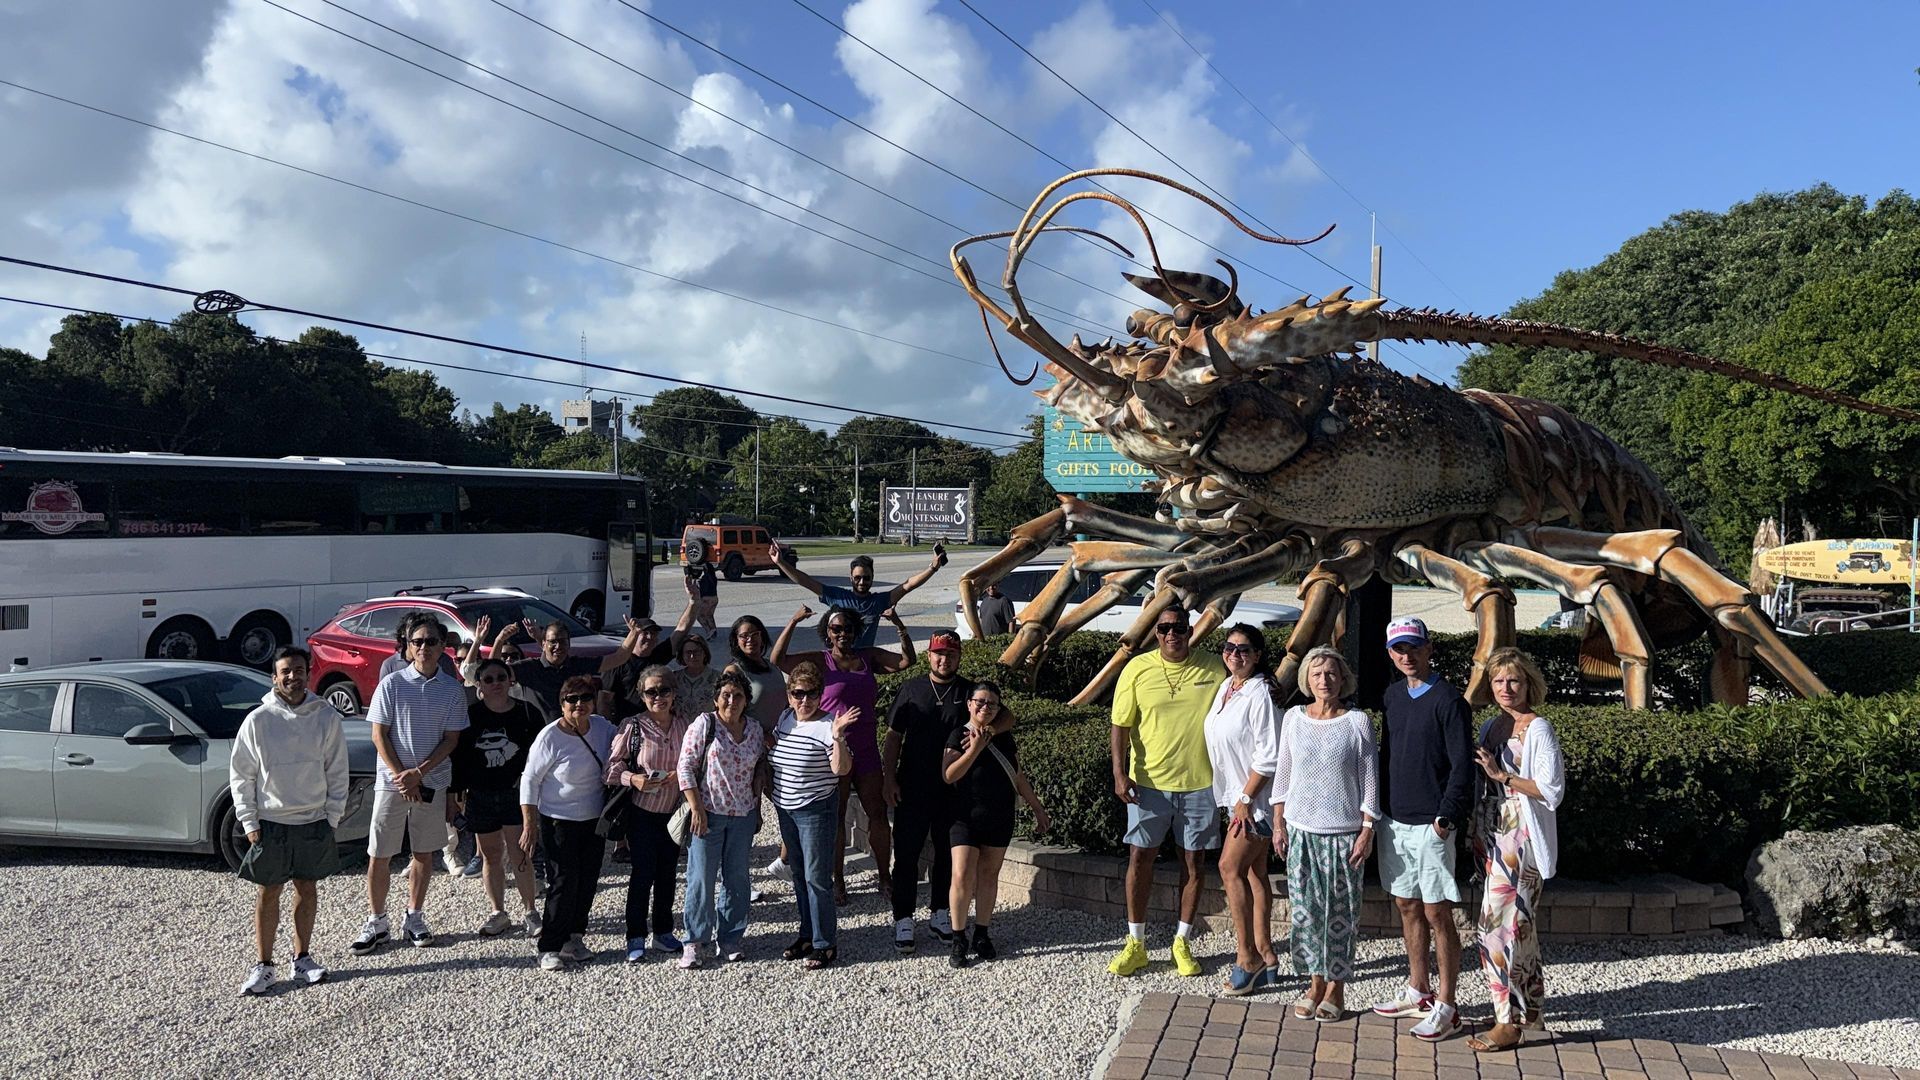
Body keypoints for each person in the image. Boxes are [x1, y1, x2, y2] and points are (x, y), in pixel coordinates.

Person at [1371, 616, 1476, 1041]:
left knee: (1437, 913)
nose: (1407, 655)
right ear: (1391, 655)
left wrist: (1446, 818)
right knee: (1407, 907)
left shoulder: (1450, 701)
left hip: (1432, 825)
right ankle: (1419, 990)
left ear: (1429, 648)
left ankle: (1448, 1006)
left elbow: (1462, 765)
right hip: (1394, 822)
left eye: (1414, 647)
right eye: (1399, 649)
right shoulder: (1393, 696)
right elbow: (1387, 754)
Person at [1107, 605, 1225, 978]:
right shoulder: (1137, 669)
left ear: (1190, 630)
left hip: (1201, 785)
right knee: (1140, 858)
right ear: (1155, 633)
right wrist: (1119, 773)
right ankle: (1136, 943)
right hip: (1148, 785)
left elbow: (1244, 688)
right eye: (1164, 628)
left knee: (1194, 863)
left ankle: (1182, 941)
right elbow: (1120, 725)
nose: (1172, 634)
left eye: (1179, 627)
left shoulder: (1214, 667)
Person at [772, 604, 916, 905]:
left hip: (865, 747)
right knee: (835, 818)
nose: (842, 634)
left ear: (855, 631)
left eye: (847, 628)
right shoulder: (820, 660)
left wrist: (899, 624)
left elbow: (905, 661)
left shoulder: (868, 656)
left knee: (876, 813)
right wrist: (794, 620)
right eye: (836, 629)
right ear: (827, 632)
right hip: (833, 746)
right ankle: (838, 881)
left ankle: (884, 876)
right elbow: (779, 660)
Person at [882, 630, 1013, 954]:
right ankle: (903, 917)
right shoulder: (911, 689)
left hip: (954, 791)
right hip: (912, 785)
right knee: (908, 854)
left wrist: (987, 733)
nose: (945, 659)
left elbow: (1008, 715)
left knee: (946, 855)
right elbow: (893, 736)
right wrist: (888, 778)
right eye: (939, 653)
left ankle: (941, 913)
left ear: (959, 657)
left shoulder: (970, 691)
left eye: (951, 654)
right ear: (929, 655)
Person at [229, 646, 349, 995]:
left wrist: (332, 816)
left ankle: (302, 959)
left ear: (308, 673)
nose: (293, 677)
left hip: (313, 818)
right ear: (275, 677)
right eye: (286, 671)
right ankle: (264, 965)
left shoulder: (325, 716)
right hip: (271, 820)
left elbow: (337, 770)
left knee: (307, 888)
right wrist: (249, 821)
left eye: (299, 670)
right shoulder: (258, 720)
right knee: (269, 891)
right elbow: (241, 775)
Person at [1272, 645, 1380, 1020]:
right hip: (1301, 830)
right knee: (1306, 914)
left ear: (1343, 678)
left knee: (1340, 916)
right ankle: (1314, 983)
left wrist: (1367, 830)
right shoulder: (1294, 719)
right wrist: (1278, 822)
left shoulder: (1357, 722)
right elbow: (1283, 774)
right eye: (1317, 674)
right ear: (1307, 680)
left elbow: (1370, 782)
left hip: (1344, 834)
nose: (1324, 680)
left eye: (1331, 674)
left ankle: (1336, 988)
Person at [1466, 647, 1565, 1053]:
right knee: (1518, 930)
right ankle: (1530, 1013)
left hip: (1520, 837)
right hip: (1492, 834)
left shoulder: (1537, 730)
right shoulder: (1492, 726)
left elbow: (1551, 791)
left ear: (1529, 685)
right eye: (1498, 681)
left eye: (1514, 681)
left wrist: (1503, 775)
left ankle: (1506, 1021)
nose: (1506, 688)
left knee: (1495, 930)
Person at [351, 612, 469, 955]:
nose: (424, 648)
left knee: (423, 851)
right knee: (380, 852)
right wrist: (402, 775)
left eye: (431, 641)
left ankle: (414, 916)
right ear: (407, 646)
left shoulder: (451, 689)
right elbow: (378, 734)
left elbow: (451, 740)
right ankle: (377, 920)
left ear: (442, 646)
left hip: (431, 781)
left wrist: (419, 772)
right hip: (392, 784)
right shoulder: (391, 683)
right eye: (417, 642)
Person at [941, 679, 1050, 968]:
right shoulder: (958, 735)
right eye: (980, 702)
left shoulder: (1003, 737)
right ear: (969, 704)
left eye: (991, 703)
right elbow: (949, 774)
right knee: (962, 875)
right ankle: (958, 938)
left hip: (999, 815)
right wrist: (974, 749)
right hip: (964, 817)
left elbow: (1018, 776)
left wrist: (1038, 808)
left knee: (989, 876)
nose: (985, 707)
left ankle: (982, 933)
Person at [1201, 625, 1284, 996]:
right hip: (1237, 797)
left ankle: (1246, 957)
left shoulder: (1259, 693)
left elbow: (1269, 754)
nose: (1236, 654)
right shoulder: (1227, 688)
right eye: (1230, 647)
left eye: (1245, 649)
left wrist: (1247, 799)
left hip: (1255, 804)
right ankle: (1266, 952)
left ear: (1258, 655)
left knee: (1228, 867)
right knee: (1254, 872)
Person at [519, 675, 617, 971]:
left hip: (594, 819)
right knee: (562, 881)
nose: (579, 705)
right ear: (562, 704)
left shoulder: (603, 728)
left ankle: (574, 937)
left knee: (588, 880)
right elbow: (530, 779)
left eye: (585, 698)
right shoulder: (550, 736)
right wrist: (529, 823)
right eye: (571, 700)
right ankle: (549, 945)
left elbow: (627, 742)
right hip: (558, 820)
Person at [766, 661, 859, 969]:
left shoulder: (828, 724)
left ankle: (824, 943)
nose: (804, 700)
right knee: (798, 875)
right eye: (797, 693)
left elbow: (841, 769)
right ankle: (806, 934)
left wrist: (838, 737)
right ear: (789, 695)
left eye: (811, 693)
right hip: (786, 808)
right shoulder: (786, 718)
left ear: (820, 694)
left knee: (817, 878)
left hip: (815, 810)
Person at [677, 670, 766, 968]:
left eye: (738, 695)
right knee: (701, 878)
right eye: (726, 695)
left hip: (742, 815)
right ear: (716, 699)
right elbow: (685, 768)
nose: (731, 700)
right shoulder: (705, 725)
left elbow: (759, 769)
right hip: (709, 814)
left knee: (737, 878)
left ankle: (730, 937)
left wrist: (758, 807)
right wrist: (697, 809)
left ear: (746, 700)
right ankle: (695, 940)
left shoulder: (754, 729)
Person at [451, 657, 545, 937]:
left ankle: (530, 910)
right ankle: (498, 911)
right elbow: (460, 758)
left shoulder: (527, 713)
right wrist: (455, 796)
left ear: (510, 681)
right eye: (488, 679)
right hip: (480, 794)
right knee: (490, 855)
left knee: (521, 853)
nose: (495, 684)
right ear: (479, 684)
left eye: (500, 678)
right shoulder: (470, 716)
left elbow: (539, 756)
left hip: (517, 795)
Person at [605, 665, 691, 963]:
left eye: (664, 690)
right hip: (642, 813)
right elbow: (611, 768)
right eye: (651, 692)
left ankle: (664, 932)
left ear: (674, 693)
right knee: (643, 874)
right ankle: (635, 935)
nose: (658, 697)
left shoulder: (685, 725)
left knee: (668, 874)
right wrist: (635, 779)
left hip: (675, 812)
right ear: (642, 695)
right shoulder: (633, 726)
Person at [769, 544, 947, 650]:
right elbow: (805, 581)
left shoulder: (879, 602)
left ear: (872, 578)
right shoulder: (837, 596)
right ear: (851, 578)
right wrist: (780, 562)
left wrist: (932, 568)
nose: (862, 582)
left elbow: (908, 585)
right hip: (837, 660)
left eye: (866, 578)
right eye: (857, 578)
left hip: (864, 662)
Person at [491, 616, 646, 721]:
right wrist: (499, 640)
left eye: (563, 642)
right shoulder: (529, 668)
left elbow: (618, 658)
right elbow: (493, 670)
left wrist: (634, 634)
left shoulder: (577, 665)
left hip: (573, 737)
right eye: (553, 642)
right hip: (538, 740)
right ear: (543, 644)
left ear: (569, 643)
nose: (558, 646)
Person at [722, 615, 786, 734]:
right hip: (750, 740)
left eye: (754, 634)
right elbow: (729, 712)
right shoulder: (734, 671)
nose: (750, 639)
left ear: (762, 637)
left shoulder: (773, 668)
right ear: (736, 641)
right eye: (744, 636)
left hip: (779, 739)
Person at [672, 634, 721, 725]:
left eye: (697, 652)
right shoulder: (674, 678)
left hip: (708, 729)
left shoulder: (718, 678)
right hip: (679, 730)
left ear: (705, 653)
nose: (692, 656)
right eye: (688, 652)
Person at [687, 556, 720, 639]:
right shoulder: (714, 578)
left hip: (706, 599)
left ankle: (709, 631)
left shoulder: (703, 579)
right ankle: (713, 629)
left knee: (700, 616)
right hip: (715, 598)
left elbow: (701, 590)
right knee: (709, 615)